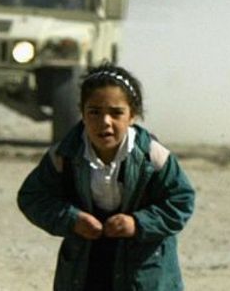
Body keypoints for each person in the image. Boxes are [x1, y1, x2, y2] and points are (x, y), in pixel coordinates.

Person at [17, 64, 195, 291]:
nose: (105, 122)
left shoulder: (153, 157)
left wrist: (138, 223)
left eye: (116, 113)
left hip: (144, 272)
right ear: (82, 113)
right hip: (85, 269)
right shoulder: (65, 156)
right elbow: (32, 197)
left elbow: (181, 200)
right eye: (95, 112)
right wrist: (72, 219)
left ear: (132, 115)